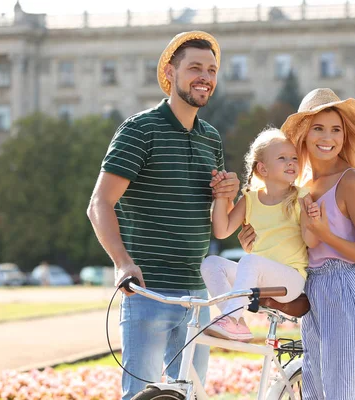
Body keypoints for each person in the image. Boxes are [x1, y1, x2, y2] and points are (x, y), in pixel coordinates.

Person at [86, 31, 240, 400]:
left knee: (190, 395)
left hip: (196, 295)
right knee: (140, 397)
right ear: (171, 72)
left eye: (212, 70)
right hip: (149, 292)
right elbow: (99, 204)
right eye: (195, 68)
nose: (205, 76)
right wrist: (122, 263)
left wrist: (227, 196)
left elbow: (220, 224)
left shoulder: (211, 138)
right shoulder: (141, 130)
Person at [242, 88, 355, 399]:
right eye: (318, 128)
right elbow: (292, 248)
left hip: (349, 293)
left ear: (345, 136)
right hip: (316, 297)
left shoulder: (350, 181)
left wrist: (326, 232)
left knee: (342, 392)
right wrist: (253, 244)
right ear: (304, 134)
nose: (327, 137)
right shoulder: (300, 189)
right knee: (319, 392)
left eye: (336, 129)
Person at [201, 128, 320, 342]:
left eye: (294, 158)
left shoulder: (301, 197)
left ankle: (230, 317)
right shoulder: (250, 199)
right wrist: (221, 195)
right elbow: (222, 230)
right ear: (262, 169)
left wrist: (312, 218)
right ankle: (237, 322)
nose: (291, 162)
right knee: (210, 264)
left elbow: (312, 239)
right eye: (282, 158)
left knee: (250, 261)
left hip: (290, 280)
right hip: (257, 276)